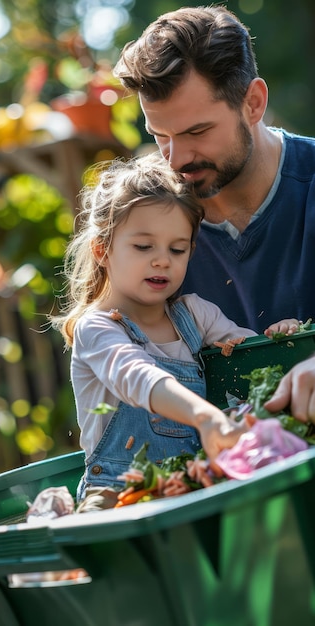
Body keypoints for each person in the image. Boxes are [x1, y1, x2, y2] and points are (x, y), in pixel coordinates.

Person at [51, 152, 298, 509]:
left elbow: (249, 357)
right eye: (143, 246)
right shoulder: (98, 328)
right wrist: (205, 417)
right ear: (103, 250)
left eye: (177, 249)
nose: (162, 260)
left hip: (187, 487)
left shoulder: (195, 314)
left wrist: (278, 338)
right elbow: (136, 375)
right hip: (117, 497)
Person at [113, 4, 315, 422]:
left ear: (254, 102)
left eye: (196, 132)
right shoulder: (148, 223)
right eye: (160, 136)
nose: (176, 158)